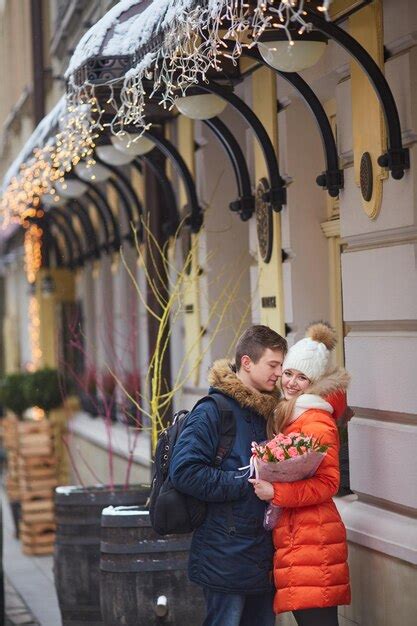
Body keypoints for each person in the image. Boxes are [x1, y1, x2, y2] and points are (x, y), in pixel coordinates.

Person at [170, 325, 287, 626]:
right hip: (224, 555)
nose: (279, 373)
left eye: (281, 365)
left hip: (262, 556)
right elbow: (184, 471)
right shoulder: (213, 411)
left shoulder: (270, 412)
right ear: (247, 362)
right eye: (273, 365)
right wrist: (244, 483)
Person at [251, 322, 351, 626]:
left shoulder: (316, 419)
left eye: (302, 377)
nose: (292, 383)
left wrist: (276, 493)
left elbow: (328, 483)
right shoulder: (292, 413)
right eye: (289, 373)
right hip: (301, 537)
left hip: (314, 541)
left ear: (315, 381)